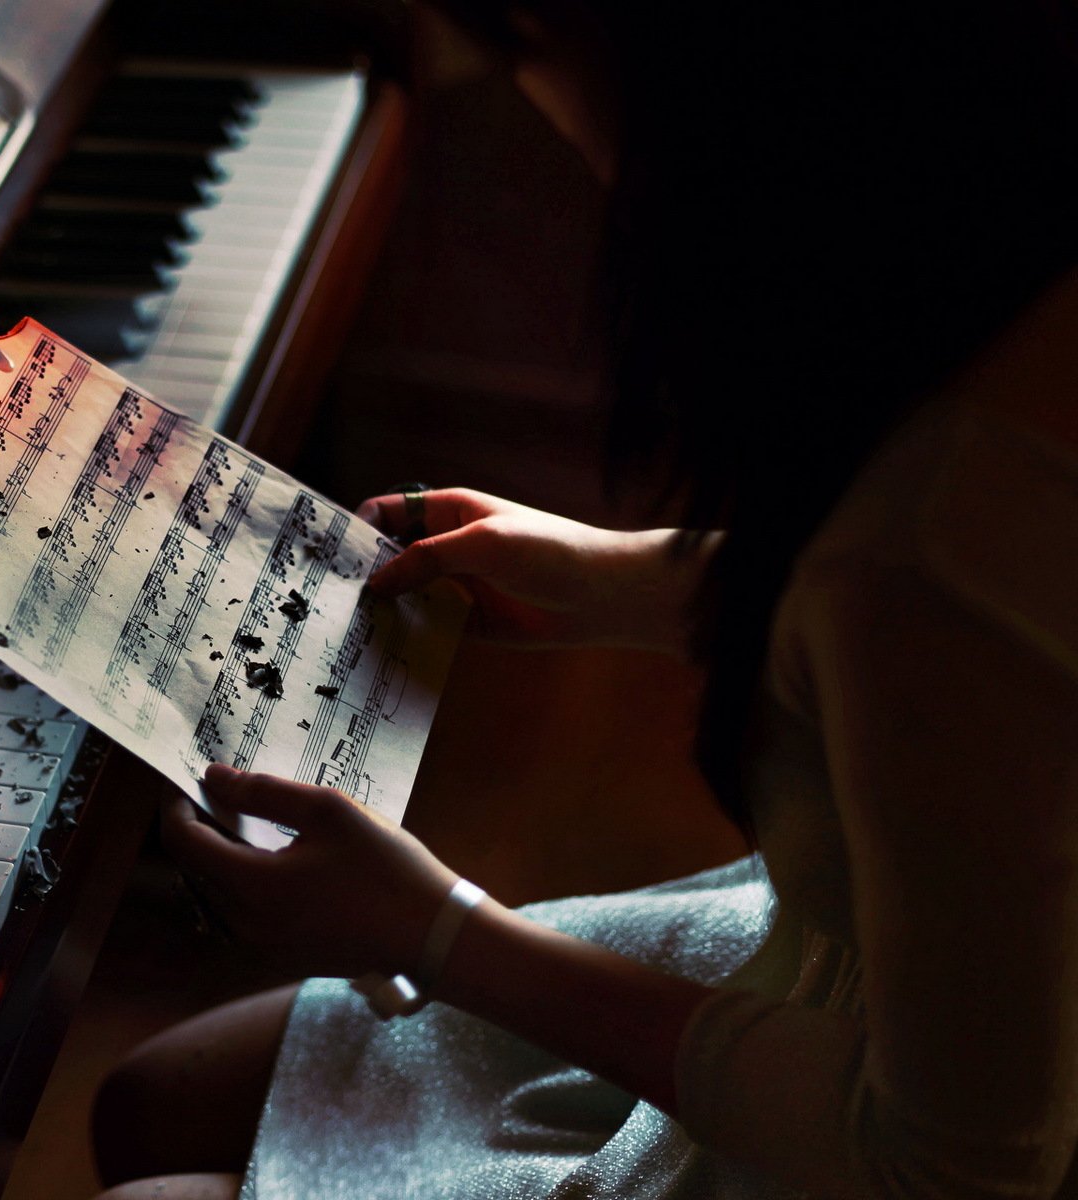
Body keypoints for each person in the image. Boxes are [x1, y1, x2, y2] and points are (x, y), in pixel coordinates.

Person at [89, 1, 1078, 1197]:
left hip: (898, 1110)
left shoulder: (932, 542)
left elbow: (957, 1170)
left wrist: (435, 931)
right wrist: (624, 576)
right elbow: (990, 665)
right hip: (898, 949)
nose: (530, 102)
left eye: (529, 48)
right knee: (152, 1098)